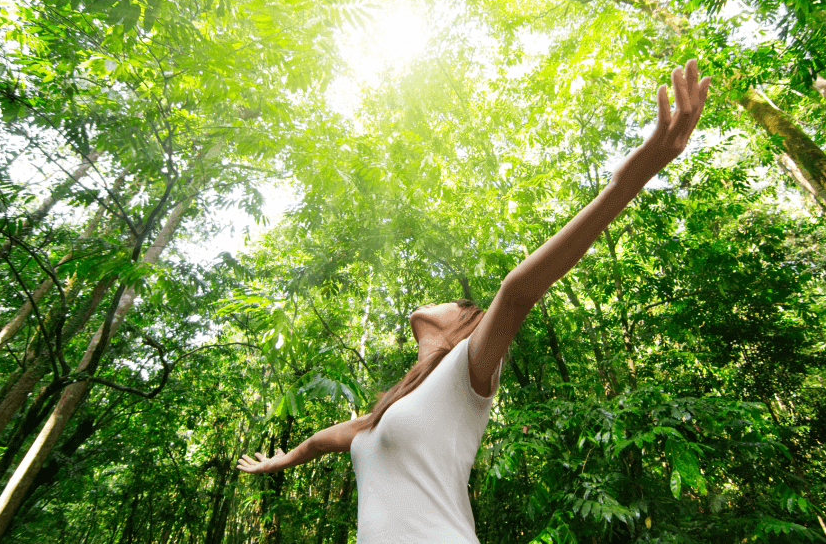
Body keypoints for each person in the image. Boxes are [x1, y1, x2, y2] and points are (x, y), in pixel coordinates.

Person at [237, 59, 711, 542]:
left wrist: (626, 181)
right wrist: (283, 459)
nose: (433, 302)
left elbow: (517, 292)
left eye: (452, 301)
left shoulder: (467, 369)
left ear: (464, 324)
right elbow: (323, 441)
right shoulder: (384, 413)